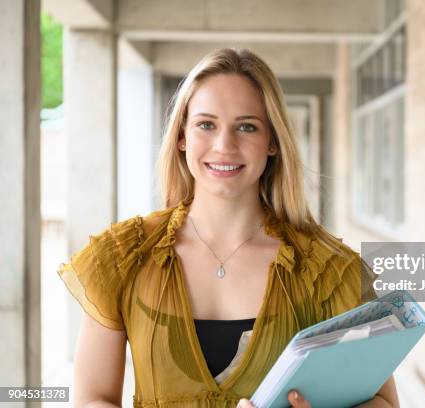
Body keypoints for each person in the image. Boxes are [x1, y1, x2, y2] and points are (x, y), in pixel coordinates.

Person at [58, 47, 399, 408]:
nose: (224, 145)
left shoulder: (328, 270)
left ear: (272, 141)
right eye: (206, 124)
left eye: (246, 126)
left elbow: (383, 402)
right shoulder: (122, 257)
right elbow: (92, 399)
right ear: (182, 137)